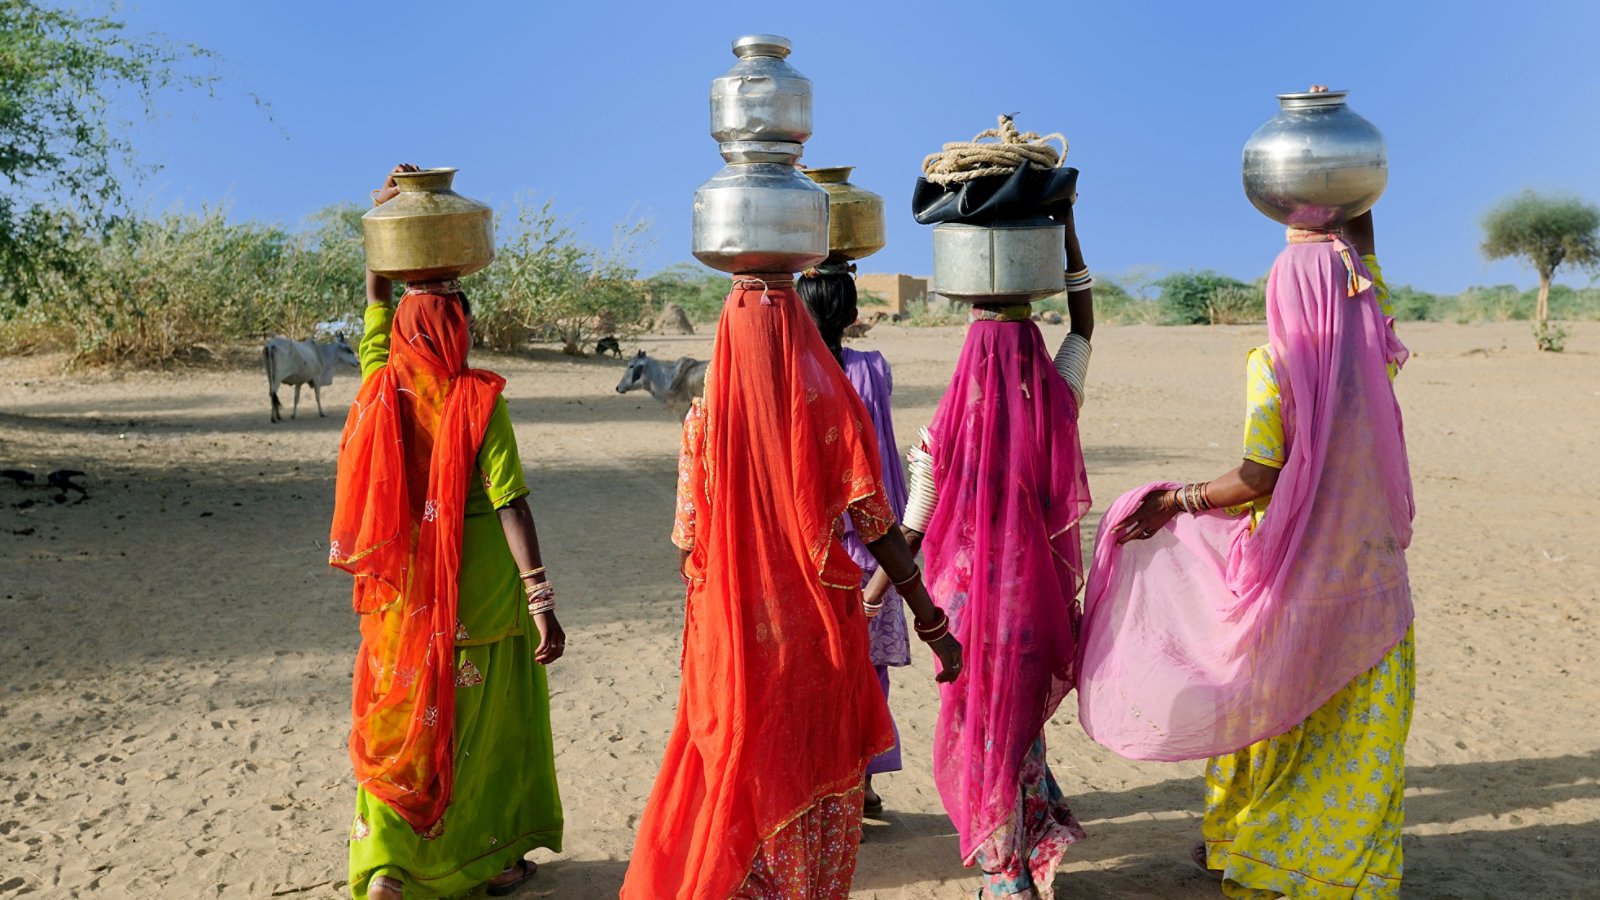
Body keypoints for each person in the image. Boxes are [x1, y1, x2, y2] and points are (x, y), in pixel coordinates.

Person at [1079, 95, 1414, 895]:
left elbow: (1260, 477)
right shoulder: (1372, 348)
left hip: (1294, 566)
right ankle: (1326, 867)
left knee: (1276, 703)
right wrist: (1348, 210)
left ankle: (1252, 847)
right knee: (1355, 730)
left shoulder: (1275, 366)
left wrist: (1180, 501)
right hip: (1366, 563)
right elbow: (1363, 274)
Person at [620, 273, 963, 900]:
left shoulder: (702, 420)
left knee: (738, 764)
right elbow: (878, 526)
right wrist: (931, 621)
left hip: (730, 636)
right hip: (816, 631)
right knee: (808, 772)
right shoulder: (827, 403)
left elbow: (688, 541)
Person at [329, 165, 566, 900]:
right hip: (486, 600)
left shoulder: (378, 382)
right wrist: (541, 600)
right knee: (482, 733)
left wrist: (388, 225)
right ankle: (491, 860)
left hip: (403, 598)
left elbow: (376, 304)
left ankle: (388, 868)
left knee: (404, 722)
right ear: (459, 329)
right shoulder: (479, 401)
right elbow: (511, 506)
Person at [865, 208, 1096, 899]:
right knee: (1019, 730)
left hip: (963, 610)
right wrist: (1067, 233)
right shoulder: (1059, 398)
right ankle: (1020, 857)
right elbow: (1082, 326)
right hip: (1032, 606)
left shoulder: (943, 433)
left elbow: (908, 532)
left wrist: (871, 594)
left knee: (979, 732)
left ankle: (1006, 873)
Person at [797, 262, 909, 815]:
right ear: (852, 314)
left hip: (810, 549)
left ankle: (827, 785)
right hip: (872, 548)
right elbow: (881, 455)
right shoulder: (873, 367)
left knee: (814, 673)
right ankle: (862, 782)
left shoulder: (789, 370)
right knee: (870, 671)